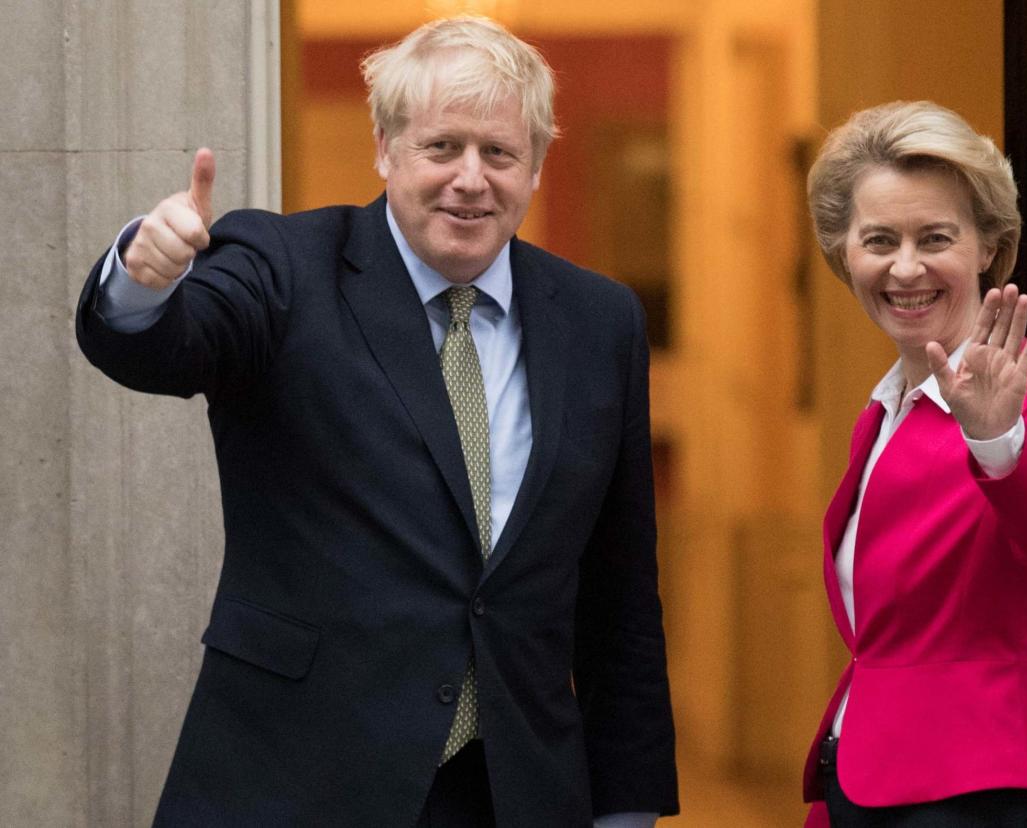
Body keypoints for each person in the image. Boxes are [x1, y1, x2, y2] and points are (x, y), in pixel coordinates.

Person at [75, 16, 677, 828]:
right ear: (385, 149)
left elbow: (620, 595)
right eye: (442, 148)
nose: (471, 179)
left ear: (535, 162)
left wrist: (627, 808)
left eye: (498, 153)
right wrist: (144, 284)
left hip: (513, 792)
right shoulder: (284, 267)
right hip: (294, 781)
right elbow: (168, 347)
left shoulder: (600, 321)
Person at [800, 101, 1027, 827]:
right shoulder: (880, 413)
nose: (906, 267)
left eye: (935, 237)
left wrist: (1000, 441)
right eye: (879, 240)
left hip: (973, 793)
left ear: (988, 248)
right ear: (846, 254)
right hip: (865, 783)